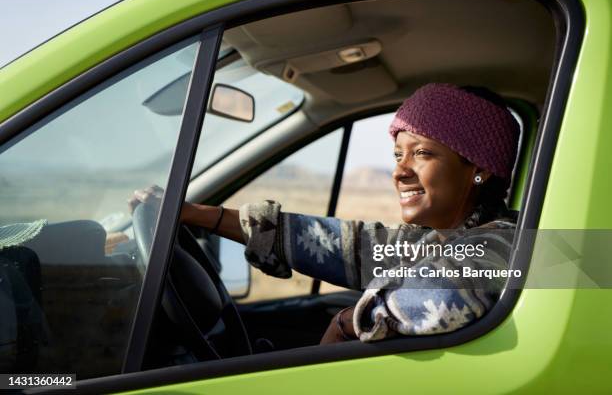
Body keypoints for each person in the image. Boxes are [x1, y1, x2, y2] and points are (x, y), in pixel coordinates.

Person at [130, 83, 520, 345]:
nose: (400, 170)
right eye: (397, 155)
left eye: (421, 153)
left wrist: (347, 322)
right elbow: (339, 244)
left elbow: (447, 293)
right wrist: (200, 215)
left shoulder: (505, 242)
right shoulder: (434, 239)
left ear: (478, 168)